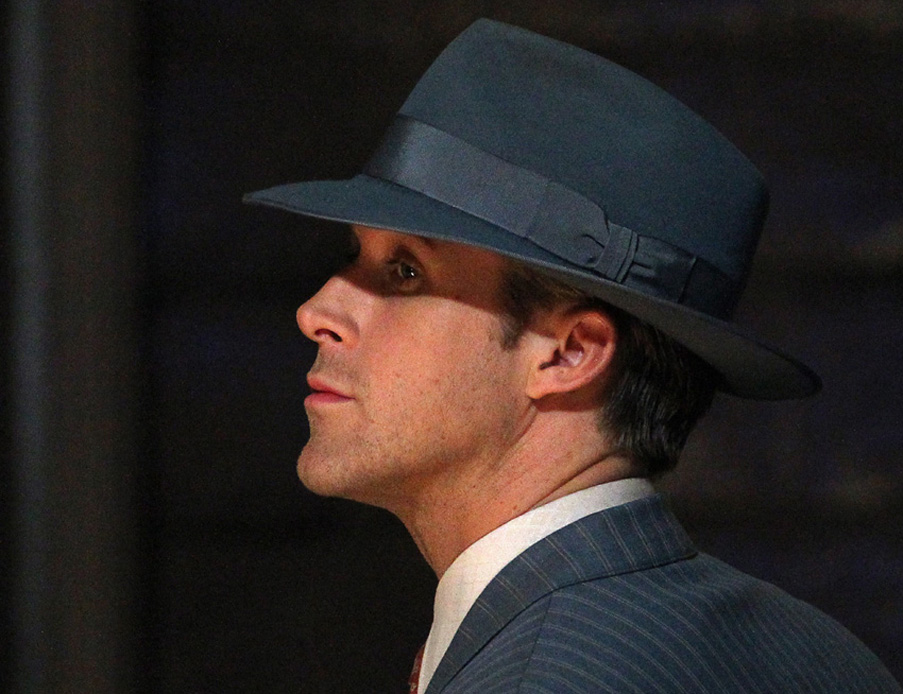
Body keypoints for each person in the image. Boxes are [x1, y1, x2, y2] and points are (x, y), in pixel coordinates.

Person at [245, 19, 900, 694]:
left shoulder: (538, 677)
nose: (316, 312)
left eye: (406, 271)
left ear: (569, 353)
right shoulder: (817, 649)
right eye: (353, 256)